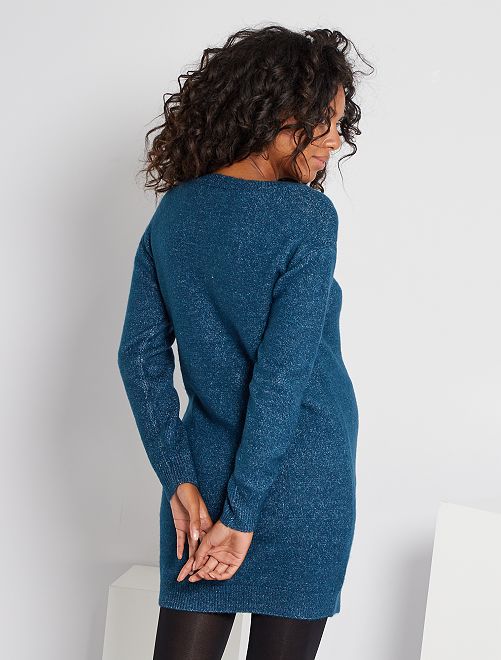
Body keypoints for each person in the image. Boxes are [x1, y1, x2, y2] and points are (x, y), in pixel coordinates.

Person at [117, 24, 373, 660]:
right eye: (325, 121)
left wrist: (178, 478)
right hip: (304, 476)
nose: (336, 139)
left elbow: (139, 359)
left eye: (340, 122)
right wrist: (243, 514)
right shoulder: (307, 218)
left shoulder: (174, 212)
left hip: (205, 480)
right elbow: (283, 376)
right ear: (278, 114)